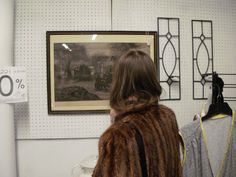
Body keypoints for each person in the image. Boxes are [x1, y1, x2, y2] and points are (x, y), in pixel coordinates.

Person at [92, 50, 182, 177]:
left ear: (120, 81)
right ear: (151, 79)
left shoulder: (117, 135)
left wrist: (116, 123)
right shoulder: (167, 116)